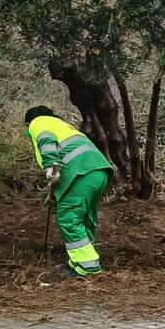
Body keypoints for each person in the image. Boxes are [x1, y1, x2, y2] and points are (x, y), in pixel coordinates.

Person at [24, 106, 114, 277]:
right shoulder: (63, 125)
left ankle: (88, 267)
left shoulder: (39, 122)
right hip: (99, 170)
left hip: (80, 171)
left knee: (69, 218)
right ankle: (78, 262)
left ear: (27, 123)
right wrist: (52, 194)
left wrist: (50, 165)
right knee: (85, 217)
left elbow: (46, 140)